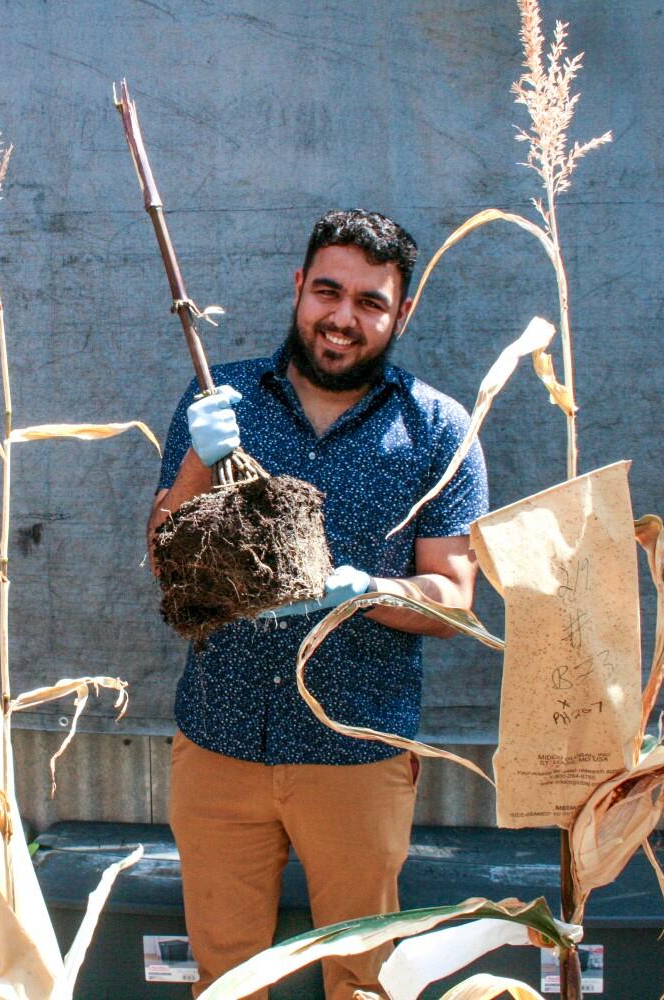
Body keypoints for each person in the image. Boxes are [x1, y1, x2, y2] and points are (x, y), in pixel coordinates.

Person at [148, 209, 489, 1000]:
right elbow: (165, 556)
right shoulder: (219, 397)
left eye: (370, 302)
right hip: (220, 741)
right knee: (225, 980)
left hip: (355, 754)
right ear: (299, 289)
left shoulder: (437, 431)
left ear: (401, 314)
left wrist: (368, 590)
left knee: (365, 981)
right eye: (328, 291)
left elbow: (455, 598)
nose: (343, 318)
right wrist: (202, 463)